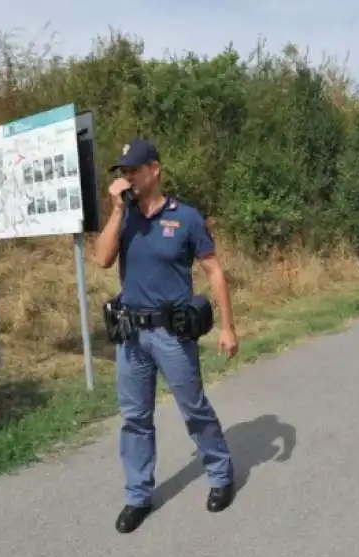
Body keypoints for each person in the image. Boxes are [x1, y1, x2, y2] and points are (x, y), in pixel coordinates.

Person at [91, 137, 239, 534]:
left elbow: (214, 272)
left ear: (154, 169)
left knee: (194, 409)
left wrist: (227, 326)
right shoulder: (125, 218)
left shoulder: (186, 217)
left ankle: (221, 474)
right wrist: (115, 211)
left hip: (172, 336)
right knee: (135, 418)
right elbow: (103, 259)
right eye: (122, 173)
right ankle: (138, 495)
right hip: (131, 336)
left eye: (133, 171)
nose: (127, 179)